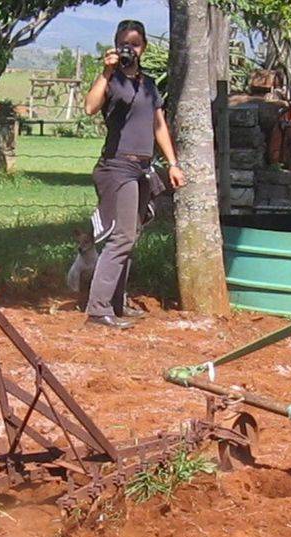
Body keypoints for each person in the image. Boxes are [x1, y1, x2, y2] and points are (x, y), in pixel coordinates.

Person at [65, 19, 185, 330]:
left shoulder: (148, 85)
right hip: (117, 166)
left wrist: (172, 162)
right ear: (116, 45)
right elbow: (90, 107)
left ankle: (116, 303)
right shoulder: (112, 80)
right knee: (122, 237)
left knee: (131, 236)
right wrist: (105, 72)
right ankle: (98, 309)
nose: (129, 47)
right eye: (124, 42)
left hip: (142, 168)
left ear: (143, 47)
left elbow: (159, 125)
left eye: (135, 42)